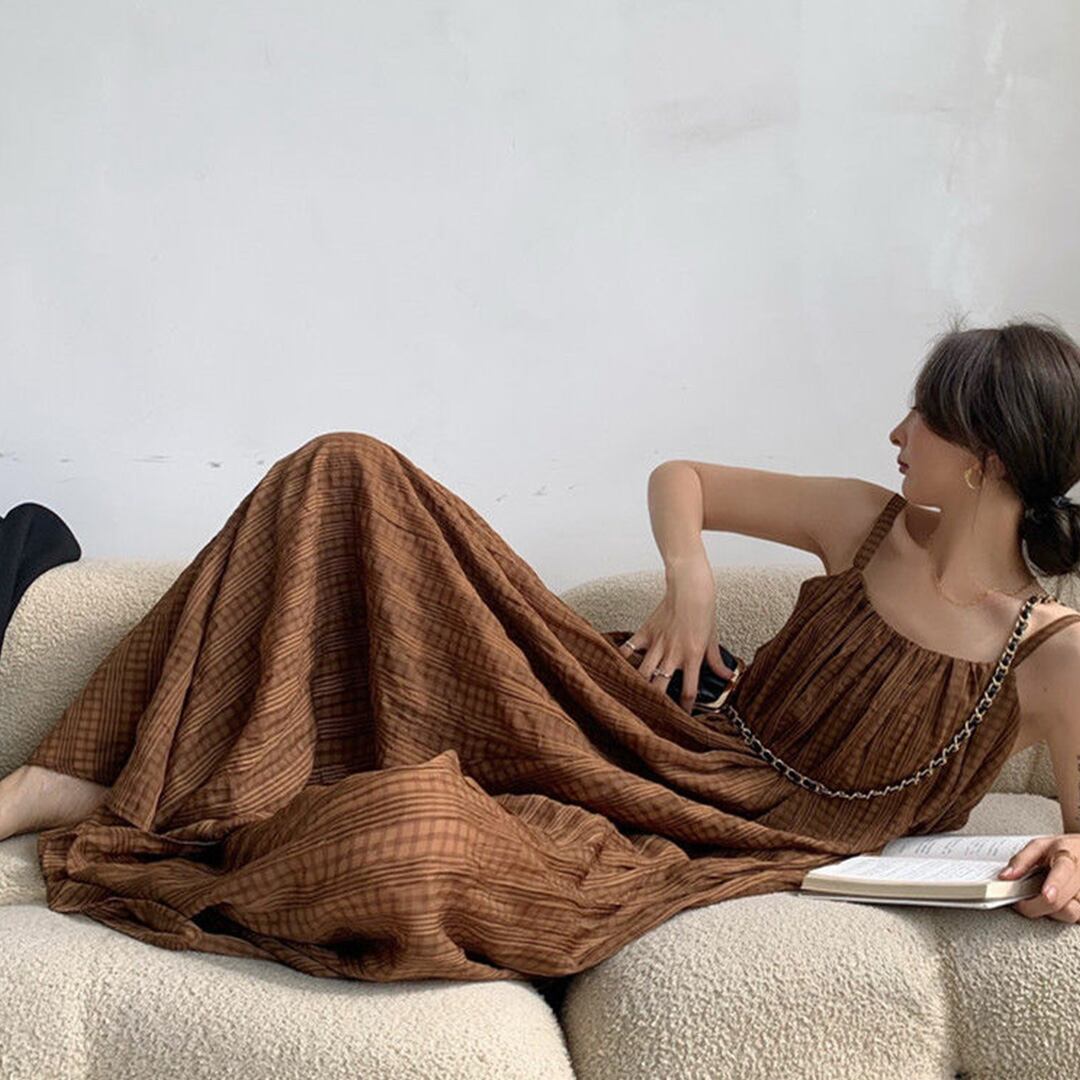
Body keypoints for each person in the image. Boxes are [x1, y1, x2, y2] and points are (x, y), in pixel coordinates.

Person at [2, 315, 1080, 987]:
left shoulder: (1053, 656)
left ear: (984, 459)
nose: (896, 433)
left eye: (922, 417)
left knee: (408, 843)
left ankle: (161, 801)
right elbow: (681, 478)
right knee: (346, 468)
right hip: (634, 721)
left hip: (717, 839)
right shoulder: (865, 522)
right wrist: (690, 579)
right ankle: (70, 775)